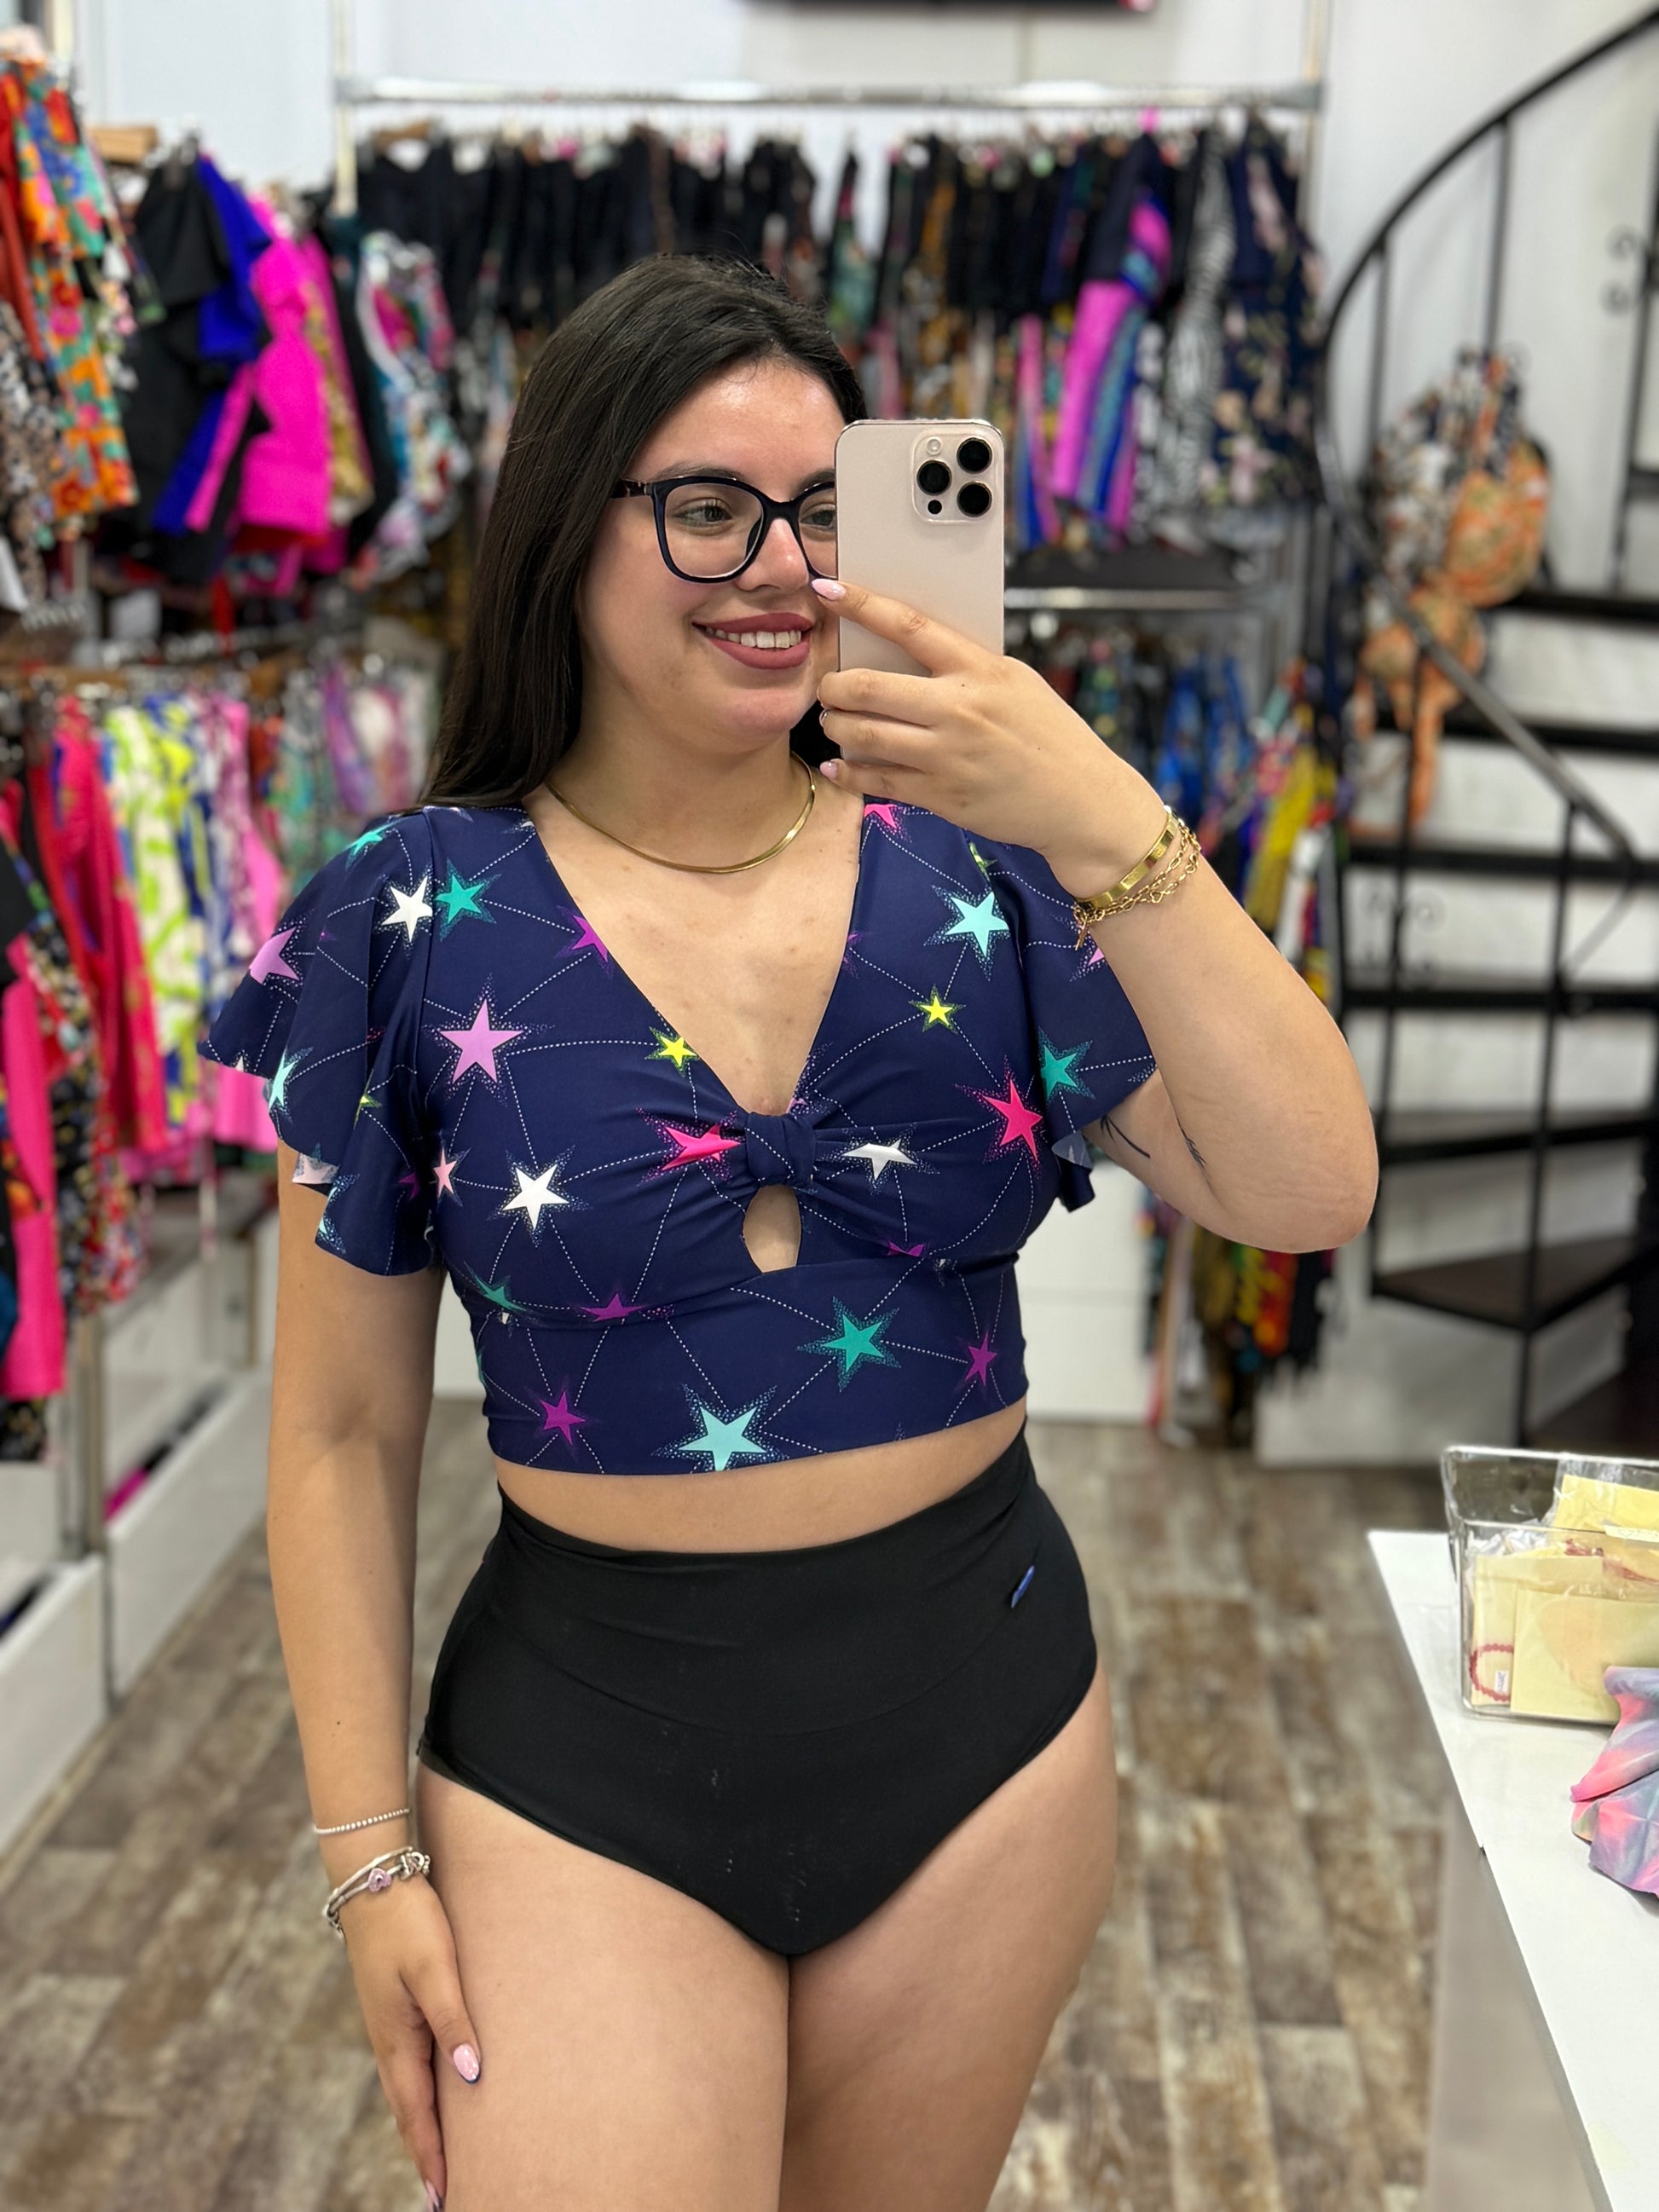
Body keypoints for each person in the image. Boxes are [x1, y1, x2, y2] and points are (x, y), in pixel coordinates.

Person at [204, 254, 1375, 2212]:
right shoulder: (404, 918)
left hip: (985, 1735)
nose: (779, 565)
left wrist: (1096, 807)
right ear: (565, 526)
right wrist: (364, 1852)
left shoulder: (991, 873)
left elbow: (1305, 1186)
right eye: (708, 506)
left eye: (828, 509)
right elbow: (338, 1431)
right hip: (586, 1759)